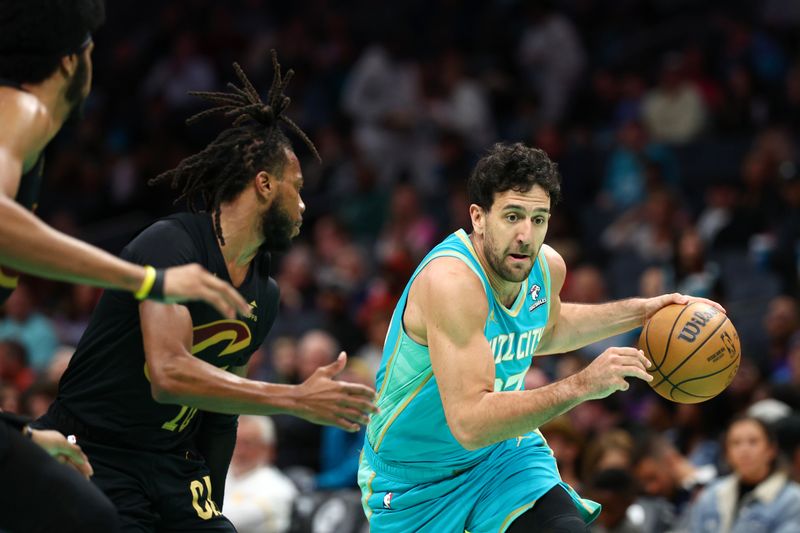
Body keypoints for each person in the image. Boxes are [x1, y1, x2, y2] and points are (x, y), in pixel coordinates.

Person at [35, 53, 377, 532]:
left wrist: (210, 505)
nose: (303, 205)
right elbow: (169, 372)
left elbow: (222, 412)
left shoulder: (266, 292)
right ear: (263, 184)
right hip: (94, 449)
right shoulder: (170, 244)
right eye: (295, 188)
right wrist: (294, 397)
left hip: (171, 463)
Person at [357, 143, 724, 532]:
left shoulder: (546, 267)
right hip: (414, 481)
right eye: (513, 216)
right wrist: (583, 383)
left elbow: (547, 330)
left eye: (538, 219)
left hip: (502, 456)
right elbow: (469, 423)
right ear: (478, 217)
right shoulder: (452, 283)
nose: (525, 235)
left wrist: (643, 311)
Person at [688, 415, 800, 532]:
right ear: (727, 453)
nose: (744, 450)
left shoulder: (792, 500)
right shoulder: (711, 494)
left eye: (753, 442)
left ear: (771, 449)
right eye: (736, 443)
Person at [223, 416, 297, 533]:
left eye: (247, 443)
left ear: (268, 448)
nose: (239, 450)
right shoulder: (220, 474)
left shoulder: (279, 488)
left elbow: (229, 520)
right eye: (235, 441)